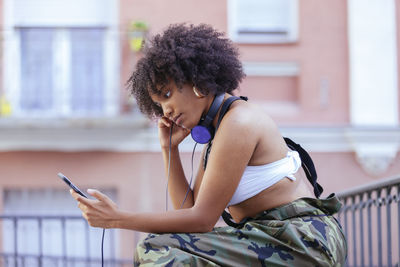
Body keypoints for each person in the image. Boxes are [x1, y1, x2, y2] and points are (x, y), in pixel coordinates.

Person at [70, 23, 347, 266]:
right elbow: (188, 212)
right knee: (160, 247)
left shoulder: (239, 123)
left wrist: (117, 219)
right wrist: (170, 150)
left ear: (196, 82)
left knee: (157, 250)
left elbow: (202, 220)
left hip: (304, 241)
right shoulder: (217, 136)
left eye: (167, 94)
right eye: (158, 104)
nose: (165, 110)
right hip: (270, 238)